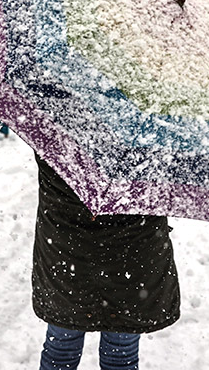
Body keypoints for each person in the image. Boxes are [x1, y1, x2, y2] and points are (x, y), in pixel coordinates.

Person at [31, 155, 180, 370]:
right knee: (120, 355)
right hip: (133, 260)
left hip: (67, 257)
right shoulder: (155, 146)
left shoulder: (55, 140)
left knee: (61, 348)